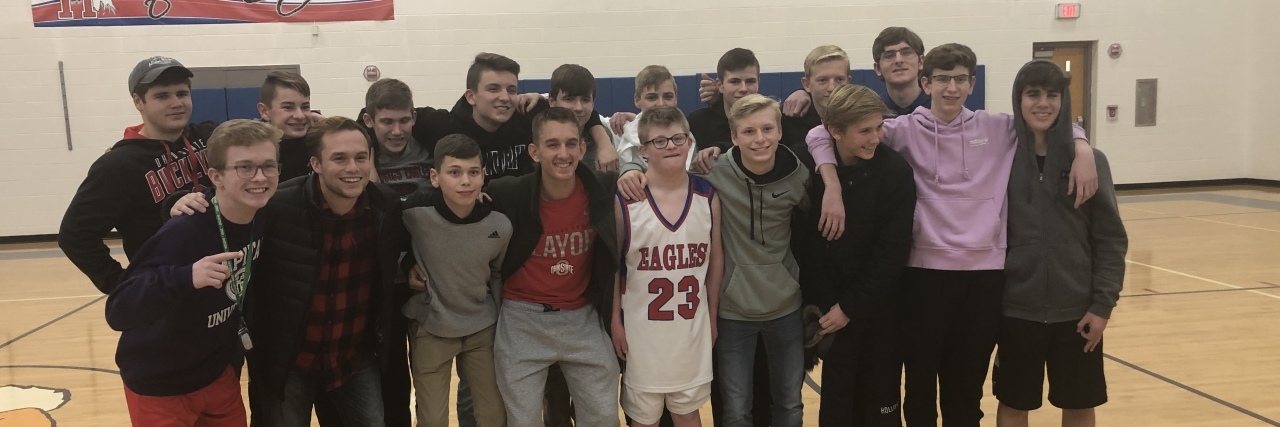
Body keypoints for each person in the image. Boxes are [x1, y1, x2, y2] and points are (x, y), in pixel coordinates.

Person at [804, 44, 1098, 427]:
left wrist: (1082, 146)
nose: (952, 88)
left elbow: (1045, 120)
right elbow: (821, 132)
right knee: (920, 390)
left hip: (984, 279)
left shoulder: (997, 128)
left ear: (972, 84)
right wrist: (831, 184)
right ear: (926, 83)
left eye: (960, 79)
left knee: (965, 392)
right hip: (922, 278)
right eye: (942, 79)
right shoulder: (900, 129)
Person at [106, 119, 281, 427]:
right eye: (244, 167)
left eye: (268, 166)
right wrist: (184, 277)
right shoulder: (184, 230)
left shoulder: (263, 212)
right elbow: (119, 310)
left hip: (216, 372)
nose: (259, 177)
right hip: (161, 383)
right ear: (216, 176)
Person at [244, 116, 410, 426]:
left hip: (352, 357)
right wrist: (179, 202)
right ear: (316, 164)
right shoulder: (277, 206)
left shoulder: (385, 205)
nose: (353, 168)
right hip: (290, 362)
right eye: (339, 158)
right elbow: (224, 210)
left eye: (361, 157)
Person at [994, 60, 1128, 427]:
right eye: (1033, 94)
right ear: (1018, 99)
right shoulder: (1000, 158)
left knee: (1080, 403)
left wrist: (1102, 306)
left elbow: (1110, 239)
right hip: (1016, 310)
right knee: (1014, 403)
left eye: (1052, 95)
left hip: (1077, 312)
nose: (1043, 103)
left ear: (1063, 100)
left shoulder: (1091, 161)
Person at [488, 107, 622, 427]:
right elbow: (447, 197)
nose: (563, 154)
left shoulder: (602, 190)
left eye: (571, 143)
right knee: (522, 422)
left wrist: (630, 169)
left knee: (604, 417)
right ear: (534, 152)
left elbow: (647, 170)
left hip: (581, 317)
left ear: (582, 149)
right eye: (552, 145)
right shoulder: (508, 193)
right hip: (522, 319)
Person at [794, 84, 915, 426]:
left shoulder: (895, 172)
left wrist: (850, 308)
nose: (875, 138)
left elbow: (892, 253)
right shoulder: (807, 167)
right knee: (838, 406)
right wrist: (822, 305)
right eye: (864, 131)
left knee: (881, 404)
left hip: (877, 310)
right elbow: (806, 245)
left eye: (879, 127)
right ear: (835, 131)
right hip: (829, 312)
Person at [59, 56, 216, 294]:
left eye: (182, 94)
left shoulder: (212, 136)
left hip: (224, 277)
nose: (176, 103)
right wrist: (122, 284)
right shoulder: (118, 165)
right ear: (138, 101)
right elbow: (75, 234)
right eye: (162, 96)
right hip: (168, 289)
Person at [612, 106, 724, 427]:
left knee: (688, 415)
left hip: (691, 332)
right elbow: (613, 269)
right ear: (643, 150)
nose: (671, 146)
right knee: (643, 420)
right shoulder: (626, 200)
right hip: (641, 336)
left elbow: (716, 260)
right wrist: (615, 321)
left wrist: (712, 317)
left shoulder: (707, 195)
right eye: (659, 141)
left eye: (678, 138)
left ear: (689, 142)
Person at [401, 134, 512, 427]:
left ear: (483, 176)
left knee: (493, 416)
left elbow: (498, 273)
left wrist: (501, 323)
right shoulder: (414, 214)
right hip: (431, 326)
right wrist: (406, 265)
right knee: (432, 419)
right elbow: (392, 248)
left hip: (482, 326)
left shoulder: (500, 224)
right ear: (434, 177)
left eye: (473, 172)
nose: (465, 181)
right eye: (454, 172)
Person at [257, 70, 316, 182]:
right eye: (288, 107)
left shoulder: (319, 144)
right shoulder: (250, 150)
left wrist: (330, 131)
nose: (300, 116)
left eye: (305, 107)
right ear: (265, 111)